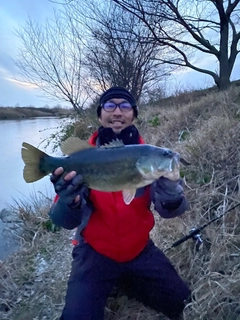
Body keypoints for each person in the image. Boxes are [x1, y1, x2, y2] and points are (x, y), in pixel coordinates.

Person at [49, 86, 191, 320]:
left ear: (133, 115)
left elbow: (170, 212)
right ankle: (115, 279)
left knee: (182, 302)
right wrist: (68, 201)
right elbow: (62, 220)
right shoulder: (81, 158)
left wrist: (171, 191)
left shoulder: (150, 157)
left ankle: (126, 278)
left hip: (139, 250)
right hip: (94, 253)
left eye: (125, 106)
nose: (117, 112)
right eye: (109, 105)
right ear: (99, 114)